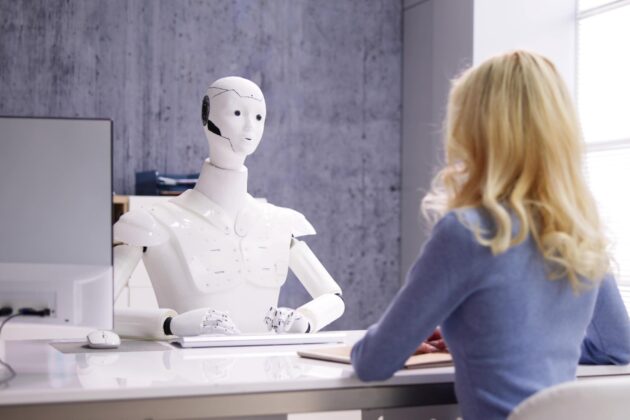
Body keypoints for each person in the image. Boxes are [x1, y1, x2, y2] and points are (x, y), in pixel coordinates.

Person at [351, 51, 630, 419]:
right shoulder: (579, 229)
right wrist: (502, 338)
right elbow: (619, 348)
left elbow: (373, 362)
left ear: (475, 131)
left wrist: (479, 339)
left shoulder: (468, 232)